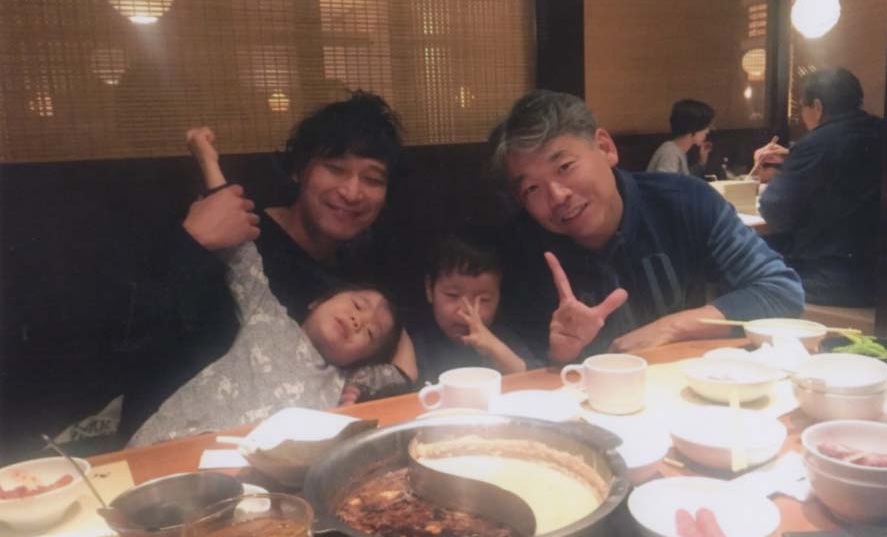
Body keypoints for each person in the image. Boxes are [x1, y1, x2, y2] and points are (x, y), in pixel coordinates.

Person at [116, 91, 417, 438]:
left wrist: (360, 388)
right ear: (300, 169)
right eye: (335, 169)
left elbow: (394, 343)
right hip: (170, 443)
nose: (352, 192)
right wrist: (193, 241)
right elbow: (136, 339)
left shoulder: (360, 267)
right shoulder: (237, 232)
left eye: (373, 179)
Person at [490, 90, 804, 363]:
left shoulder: (684, 202)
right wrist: (559, 355)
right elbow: (521, 371)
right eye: (532, 188)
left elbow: (781, 291)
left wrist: (673, 326)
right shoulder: (521, 246)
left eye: (565, 167)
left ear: (605, 148)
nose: (557, 196)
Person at [754, 68, 883, 306]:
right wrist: (794, 157)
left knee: (740, 268)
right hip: (876, 276)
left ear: (817, 106)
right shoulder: (878, 129)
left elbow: (774, 210)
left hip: (831, 278)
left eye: (802, 108)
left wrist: (796, 161)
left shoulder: (816, 143)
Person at [411, 235, 539, 383]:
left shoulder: (504, 338)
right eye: (452, 295)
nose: (467, 311)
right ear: (429, 289)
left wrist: (497, 350)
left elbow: (536, 383)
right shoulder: (415, 346)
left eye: (483, 299)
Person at [646, 99, 714, 177]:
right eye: (706, 127)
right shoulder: (670, 153)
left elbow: (685, 179)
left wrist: (702, 160)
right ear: (694, 128)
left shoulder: (676, 150)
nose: (707, 131)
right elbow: (667, 183)